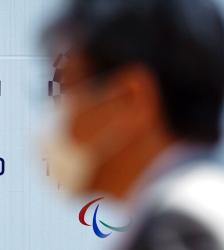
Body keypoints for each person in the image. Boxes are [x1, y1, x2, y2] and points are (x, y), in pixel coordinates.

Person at [42, 0, 224, 249]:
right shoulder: (201, 208)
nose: (59, 115)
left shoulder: (177, 230)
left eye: (66, 89)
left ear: (130, 100)